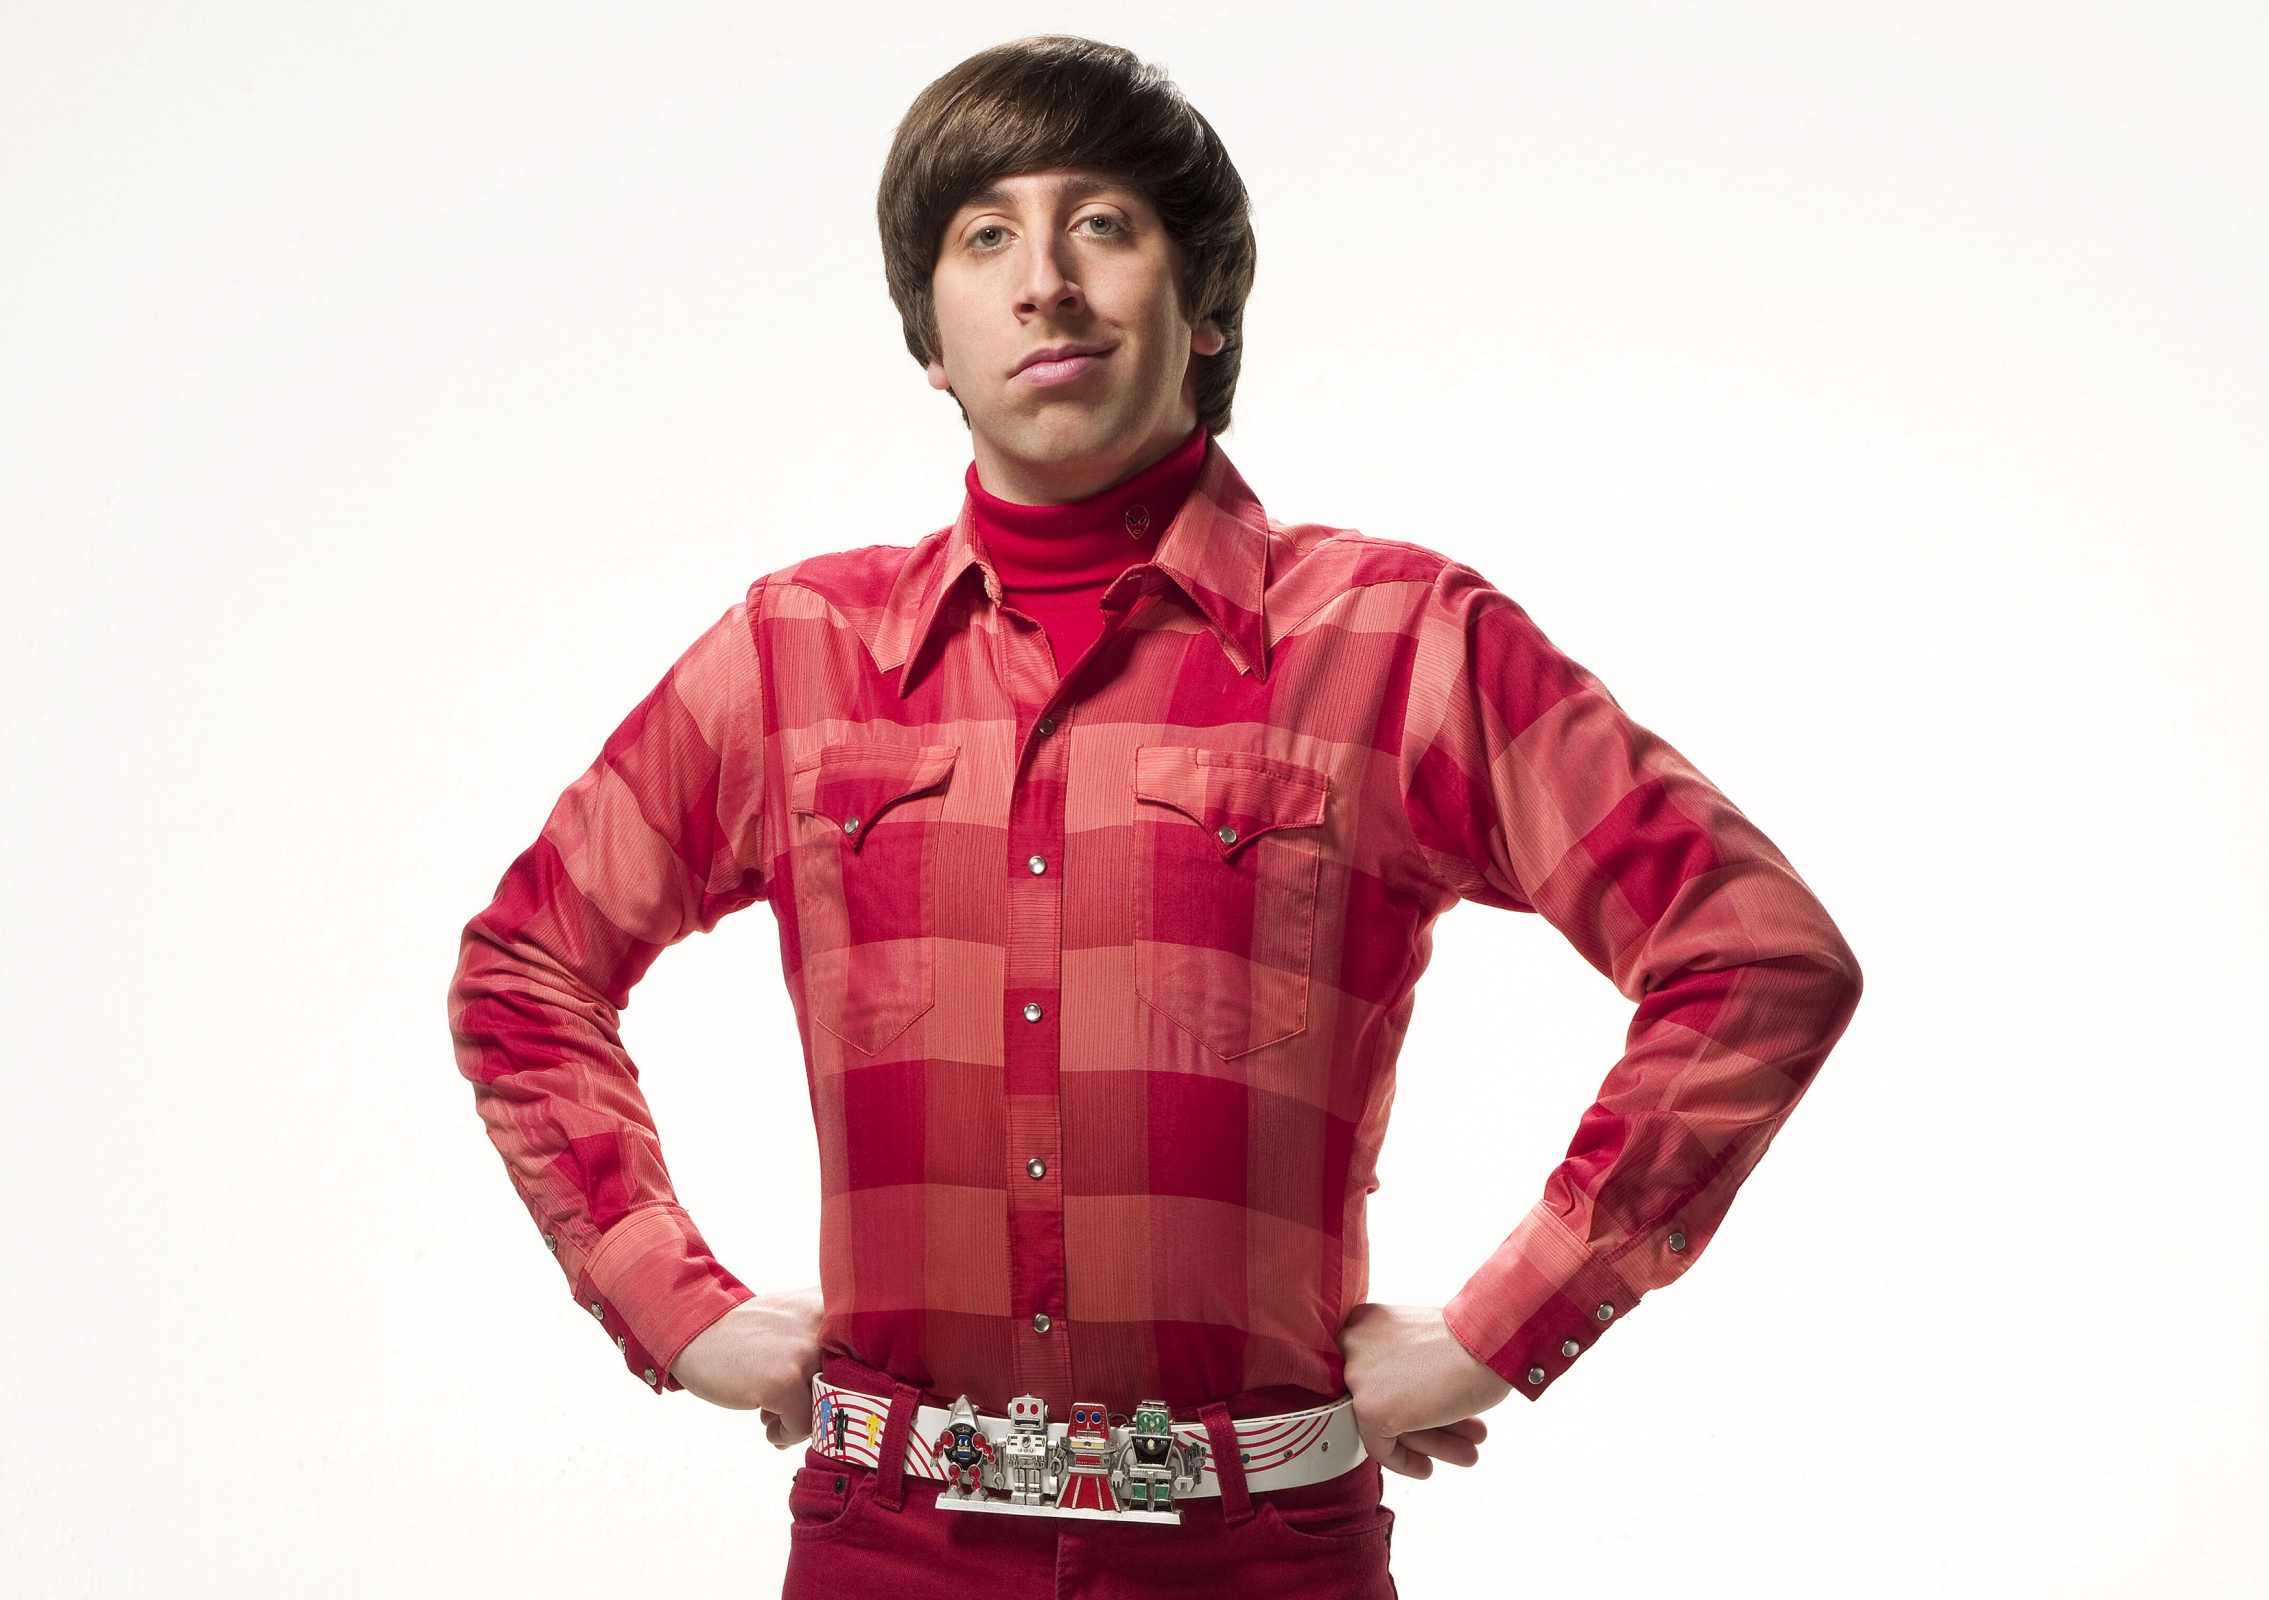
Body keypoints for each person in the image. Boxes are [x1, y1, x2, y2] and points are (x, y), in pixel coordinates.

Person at [447, 34, 1861, 1597]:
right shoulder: (794, 656)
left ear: (1205, 309)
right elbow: (526, 968)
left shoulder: (1398, 642)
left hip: (1260, 1558)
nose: (1044, 282)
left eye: (1102, 224)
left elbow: (1755, 956)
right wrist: (676, 1306)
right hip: (885, 1550)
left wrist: (1499, 1327)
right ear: (931, 338)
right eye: (987, 236)